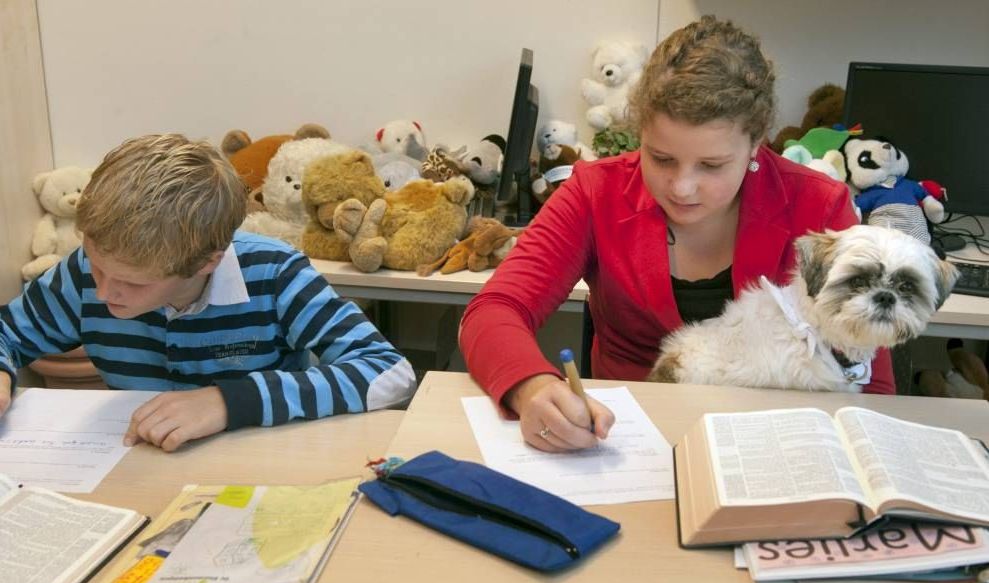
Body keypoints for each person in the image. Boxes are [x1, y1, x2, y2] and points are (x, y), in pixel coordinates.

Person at [460, 15, 895, 452]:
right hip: (623, 442)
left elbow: (870, 374)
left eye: (711, 165)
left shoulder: (818, 204)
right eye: (661, 158)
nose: (682, 187)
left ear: (756, 142)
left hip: (778, 442)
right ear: (641, 133)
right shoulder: (596, 191)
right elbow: (495, 309)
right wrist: (531, 387)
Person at [0, 134, 416, 451]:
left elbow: (390, 374)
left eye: (135, 282)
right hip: (138, 463)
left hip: (259, 461)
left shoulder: (273, 273)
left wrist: (228, 402)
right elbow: (8, 333)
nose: (103, 289)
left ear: (206, 263)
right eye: (96, 264)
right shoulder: (86, 271)